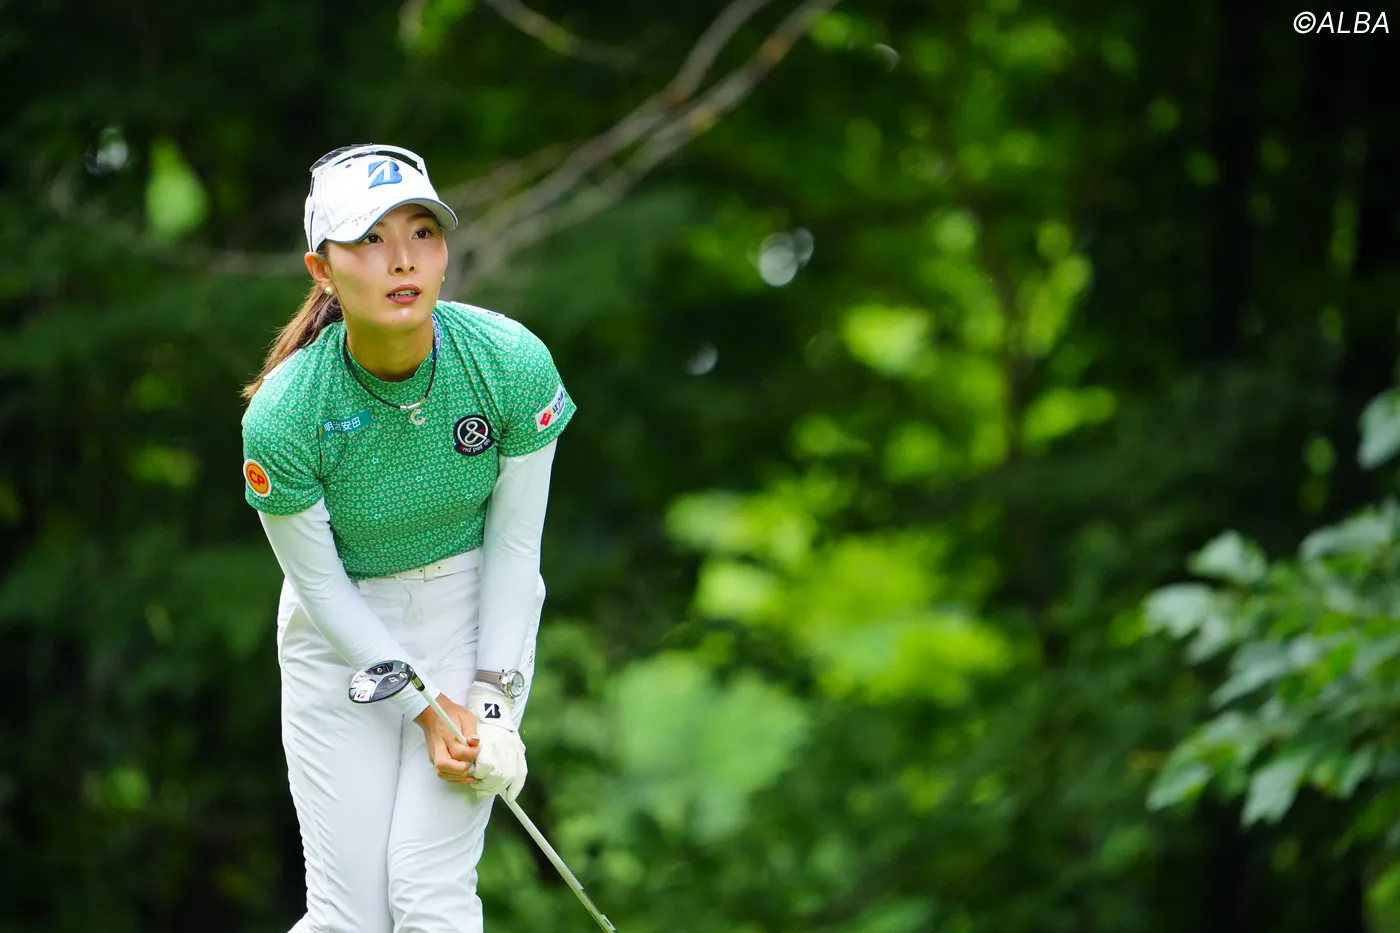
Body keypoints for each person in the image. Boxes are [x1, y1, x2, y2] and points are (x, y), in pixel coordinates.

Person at [239, 143, 575, 933]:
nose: (402, 260)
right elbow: (321, 588)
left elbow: (514, 552)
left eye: (422, 232)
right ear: (322, 270)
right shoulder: (285, 415)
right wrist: (427, 708)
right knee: (349, 915)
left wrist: (491, 706)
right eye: (370, 239)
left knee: (429, 891)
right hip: (339, 634)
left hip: (469, 612)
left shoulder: (508, 361)